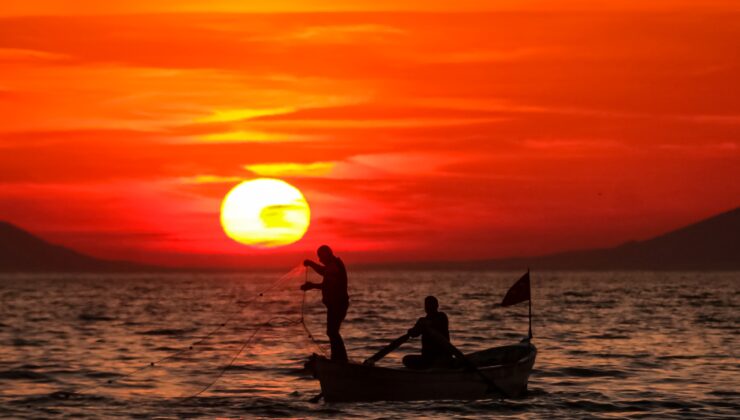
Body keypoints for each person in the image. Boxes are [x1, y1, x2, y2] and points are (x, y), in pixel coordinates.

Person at [300, 245, 349, 362]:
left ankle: (340, 359)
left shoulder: (335, 265)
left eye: (320, 257)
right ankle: (338, 359)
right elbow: (323, 271)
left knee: (332, 331)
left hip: (338, 304)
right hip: (334, 305)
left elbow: (329, 284)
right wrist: (311, 263)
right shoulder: (331, 266)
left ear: (327, 254)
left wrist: (312, 285)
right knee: (332, 331)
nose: (320, 260)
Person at [402, 296, 453, 370]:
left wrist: (426, 324)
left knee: (439, 363)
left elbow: (435, 323)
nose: (428, 307)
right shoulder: (422, 320)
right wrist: (411, 331)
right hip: (427, 358)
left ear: (436, 306)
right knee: (406, 359)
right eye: (427, 305)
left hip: (442, 356)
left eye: (430, 304)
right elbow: (414, 333)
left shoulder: (442, 316)